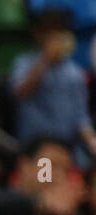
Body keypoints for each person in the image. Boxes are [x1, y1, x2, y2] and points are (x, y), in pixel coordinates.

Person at [11, 7, 96, 170]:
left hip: (70, 150)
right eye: (52, 32)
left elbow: (80, 118)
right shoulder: (24, 63)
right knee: (47, 181)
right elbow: (21, 92)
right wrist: (45, 58)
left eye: (62, 31)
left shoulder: (75, 72)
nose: (58, 37)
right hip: (38, 149)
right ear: (38, 34)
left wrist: (92, 141)